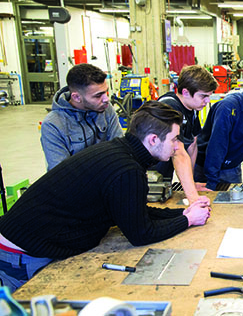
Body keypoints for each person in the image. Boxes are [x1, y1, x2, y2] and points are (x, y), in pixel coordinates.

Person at [0, 101, 211, 292]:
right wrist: (188, 220)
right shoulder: (127, 169)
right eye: (174, 139)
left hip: (27, 241)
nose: (177, 147)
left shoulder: (121, 152)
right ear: (153, 139)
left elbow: (132, 211)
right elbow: (141, 234)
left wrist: (183, 212)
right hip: (21, 251)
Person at [151, 65, 218, 203]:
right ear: (186, 92)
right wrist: (194, 199)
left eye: (209, 96)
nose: (207, 101)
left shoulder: (192, 109)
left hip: (164, 177)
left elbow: (192, 145)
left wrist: (191, 183)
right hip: (149, 176)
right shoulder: (168, 107)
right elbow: (178, 152)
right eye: (203, 96)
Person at [40, 63, 123, 171]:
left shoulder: (105, 109)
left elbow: (120, 149)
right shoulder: (53, 125)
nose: (106, 99)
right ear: (76, 97)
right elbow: (61, 173)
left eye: (106, 92)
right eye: (98, 95)